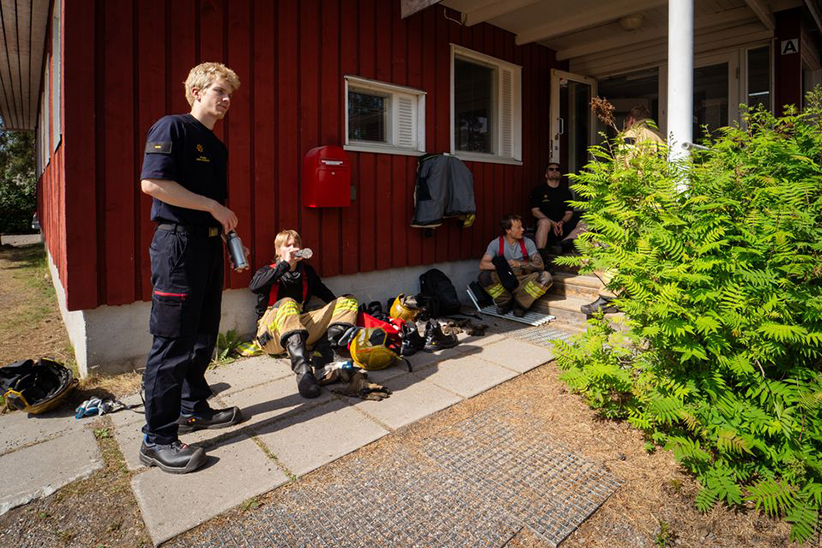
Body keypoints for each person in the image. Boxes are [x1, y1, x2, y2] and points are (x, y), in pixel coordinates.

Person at [138, 62, 244, 474]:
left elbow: (212, 207)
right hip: (177, 246)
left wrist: (227, 229)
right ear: (197, 91)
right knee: (172, 340)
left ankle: (193, 407)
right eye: (219, 90)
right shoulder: (172, 128)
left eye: (229, 93)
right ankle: (157, 438)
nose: (226, 99)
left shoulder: (216, 146)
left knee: (203, 334)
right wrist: (214, 207)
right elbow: (154, 184)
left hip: (208, 246)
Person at [250, 230, 359, 399]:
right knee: (288, 302)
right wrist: (284, 264)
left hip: (300, 331)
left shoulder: (306, 272)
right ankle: (303, 373)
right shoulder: (268, 271)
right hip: (271, 335)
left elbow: (326, 295)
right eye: (288, 245)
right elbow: (254, 287)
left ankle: (324, 356)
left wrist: (342, 314)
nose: (294, 248)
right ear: (278, 250)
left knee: (347, 300)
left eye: (296, 244)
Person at [580, 105, 665, 316]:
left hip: (635, 201)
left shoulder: (631, 134)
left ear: (630, 120)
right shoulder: (661, 137)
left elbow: (624, 169)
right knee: (649, 249)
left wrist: (616, 200)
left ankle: (608, 298)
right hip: (659, 200)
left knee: (621, 246)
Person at [478, 214, 553, 317]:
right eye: (518, 227)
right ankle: (505, 302)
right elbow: (483, 264)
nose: (522, 229)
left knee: (546, 277)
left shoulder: (528, 242)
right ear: (508, 230)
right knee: (484, 277)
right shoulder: (495, 244)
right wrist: (503, 266)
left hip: (523, 280)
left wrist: (519, 264)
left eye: (522, 226)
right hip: (504, 280)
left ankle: (520, 304)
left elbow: (540, 265)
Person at [529, 163, 583, 253]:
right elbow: (535, 211)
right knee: (544, 222)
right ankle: (541, 254)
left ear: (560, 175)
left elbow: (569, 213)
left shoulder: (566, 192)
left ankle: (565, 243)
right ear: (546, 174)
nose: (554, 171)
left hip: (562, 226)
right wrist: (552, 222)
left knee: (586, 222)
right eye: (551, 169)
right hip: (547, 226)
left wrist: (561, 222)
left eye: (557, 169)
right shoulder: (539, 190)